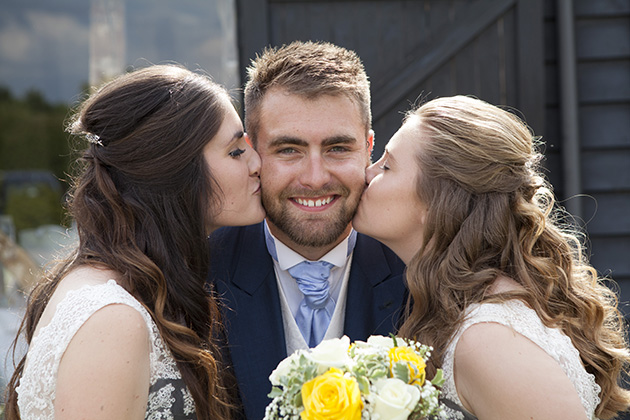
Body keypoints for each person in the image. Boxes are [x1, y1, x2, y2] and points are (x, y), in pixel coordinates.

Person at [5, 64, 265, 420]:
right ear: (174, 171)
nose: (257, 163)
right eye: (236, 151)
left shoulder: (131, 287)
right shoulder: (111, 320)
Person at [353, 95, 630, 420]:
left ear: (437, 202)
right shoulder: (458, 311)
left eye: (386, 165)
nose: (367, 175)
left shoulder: (490, 340)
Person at [208, 41, 406, 420]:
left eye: (337, 148)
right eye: (288, 150)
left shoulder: (417, 272)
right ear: (252, 153)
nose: (315, 178)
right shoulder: (200, 274)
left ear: (368, 148)